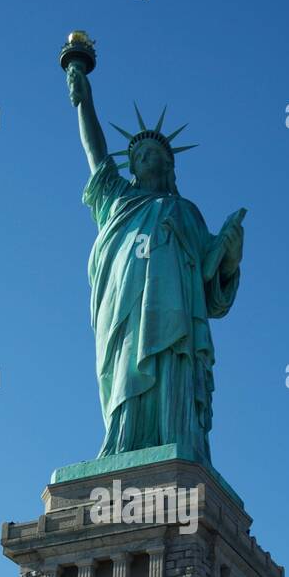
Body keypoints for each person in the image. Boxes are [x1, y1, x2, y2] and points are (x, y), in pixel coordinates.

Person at [66, 62, 245, 463]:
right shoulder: (117, 200)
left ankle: (179, 445)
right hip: (125, 309)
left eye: (153, 154)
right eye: (138, 153)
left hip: (176, 321)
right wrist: (84, 102)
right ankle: (124, 446)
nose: (143, 158)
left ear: (168, 165)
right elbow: (96, 153)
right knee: (126, 375)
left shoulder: (186, 213)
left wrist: (230, 257)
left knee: (171, 373)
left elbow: (212, 289)